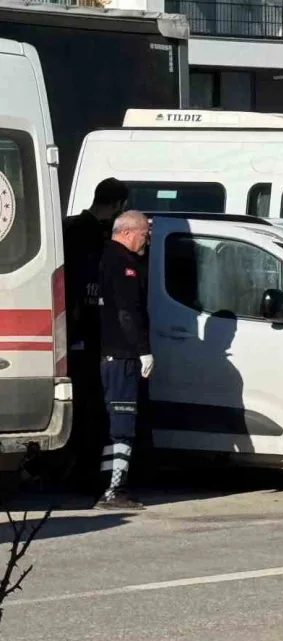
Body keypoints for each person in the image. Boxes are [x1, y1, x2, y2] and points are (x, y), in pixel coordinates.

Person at [61, 178, 129, 489]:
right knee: (91, 408)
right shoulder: (87, 233)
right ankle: (80, 473)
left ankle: (75, 470)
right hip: (86, 334)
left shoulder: (70, 228)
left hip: (79, 332)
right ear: (117, 205)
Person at [97, 210, 153, 510]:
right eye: (145, 234)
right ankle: (114, 489)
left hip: (108, 354)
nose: (146, 240)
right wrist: (142, 349)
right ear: (129, 232)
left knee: (112, 423)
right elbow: (128, 311)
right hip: (122, 355)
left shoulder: (105, 257)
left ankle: (108, 485)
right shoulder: (124, 264)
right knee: (122, 423)